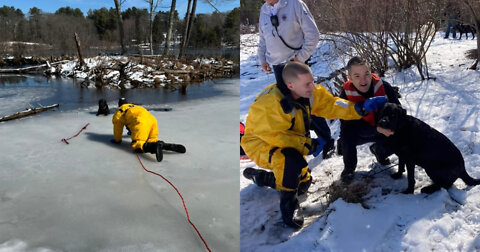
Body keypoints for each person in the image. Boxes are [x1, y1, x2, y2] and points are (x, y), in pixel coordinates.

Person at [241, 62, 387, 228]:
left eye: (312, 81)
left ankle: (261, 177)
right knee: (292, 160)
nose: (313, 86)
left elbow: (332, 105)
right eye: (308, 83)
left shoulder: (306, 91)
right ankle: (289, 208)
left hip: (287, 139)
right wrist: (308, 145)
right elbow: (275, 136)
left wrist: (359, 109)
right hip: (261, 142)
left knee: (302, 185)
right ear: (291, 85)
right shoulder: (270, 104)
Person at [257, 0, 335, 158]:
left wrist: (300, 58)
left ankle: (326, 141)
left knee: (308, 104)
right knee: (289, 109)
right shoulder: (264, 10)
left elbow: (313, 34)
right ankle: (303, 145)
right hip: (278, 67)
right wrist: (262, 60)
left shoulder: (295, 4)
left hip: (296, 64)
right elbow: (262, 40)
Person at [337, 56, 401, 182]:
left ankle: (379, 151)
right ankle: (349, 169)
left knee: (401, 134)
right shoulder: (345, 94)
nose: (363, 80)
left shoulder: (383, 86)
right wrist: (376, 129)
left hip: (382, 129)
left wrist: (390, 124)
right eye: (357, 76)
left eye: (366, 74)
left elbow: (399, 111)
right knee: (346, 136)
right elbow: (347, 125)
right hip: (359, 132)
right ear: (349, 78)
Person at [111, 98, 186, 162]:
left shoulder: (120, 111)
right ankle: (164, 145)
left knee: (138, 145)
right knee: (152, 139)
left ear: (119, 105)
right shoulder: (135, 106)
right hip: (152, 120)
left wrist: (117, 140)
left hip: (140, 122)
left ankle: (154, 147)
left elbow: (117, 127)